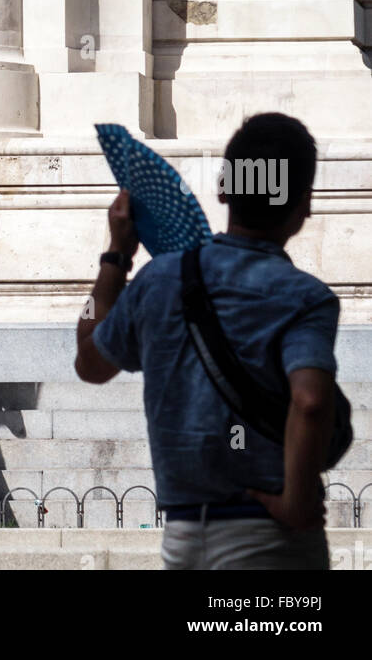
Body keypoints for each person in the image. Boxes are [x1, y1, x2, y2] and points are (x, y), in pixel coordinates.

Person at [75, 113, 347, 570]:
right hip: (272, 541)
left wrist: (116, 253)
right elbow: (312, 401)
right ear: (304, 206)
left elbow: (90, 361)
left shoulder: (158, 281)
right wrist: (296, 501)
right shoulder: (306, 298)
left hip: (184, 535)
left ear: (223, 188)